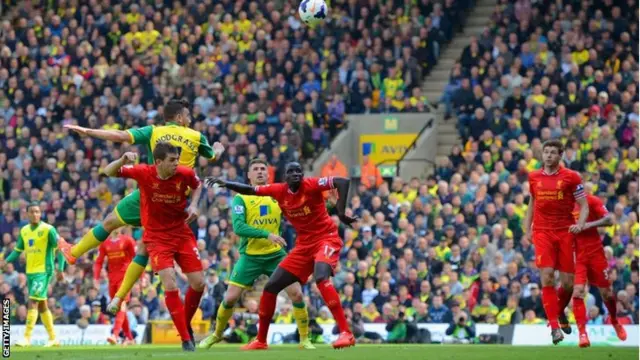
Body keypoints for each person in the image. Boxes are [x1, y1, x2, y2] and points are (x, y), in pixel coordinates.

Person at [59, 99, 224, 313]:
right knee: (145, 248)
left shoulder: (153, 131)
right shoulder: (196, 136)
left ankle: (75, 253)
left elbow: (120, 136)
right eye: (189, 117)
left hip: (149, 193)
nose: (190, 120)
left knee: (110, 222)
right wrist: (218, 149)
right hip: (174, 203)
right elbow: (211, 158)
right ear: (180, 118)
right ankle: (118, 299)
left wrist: (88, 131)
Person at [206, 163, 358, 350]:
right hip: (302, 246)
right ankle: (261, 340)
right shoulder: (277, 191)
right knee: (270, 288)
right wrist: (226, 183)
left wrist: (341, 212)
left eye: (298, 171)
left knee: (320, 278)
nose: (295, 174)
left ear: (303, 174)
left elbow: (342, 181)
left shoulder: (311, 184)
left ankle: (345, 333)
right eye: (291, 171)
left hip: (326, 239)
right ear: (284, 177)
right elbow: (249, 190)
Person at [199, 159, 314, 350]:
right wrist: (266, 234)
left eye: (263, 169)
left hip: (276, 256)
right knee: (229, 298)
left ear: (268, 174)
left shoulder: (278, 195)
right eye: (256, 169)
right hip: (250, 256)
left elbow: (300, 210)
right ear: (249, 176)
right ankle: (216, 335)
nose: (260, 172)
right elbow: (238, 227)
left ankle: (305, 339)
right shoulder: (241, 198)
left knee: (297, 295)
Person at [103, 142, 204, 352]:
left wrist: (194, 204)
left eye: (177, 159)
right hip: (156, 237)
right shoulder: (143, 172)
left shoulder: (184, 173)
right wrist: (122, 160)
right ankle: (186, 340)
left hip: (181, 232)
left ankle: (184, 325)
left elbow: (198, 184)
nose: (176, 163)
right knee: (170, 284)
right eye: (172, 160)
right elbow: (108, 171)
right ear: (158, 162)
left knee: (199, 284)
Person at [523, 139, 589, 344]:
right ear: (542, 154)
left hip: (565, 232)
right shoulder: (533, 177)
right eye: (546, 152)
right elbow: (532, 203)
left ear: (560, 155)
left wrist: (580, 223)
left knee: (568, 284)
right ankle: (554, 328)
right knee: (547, 276)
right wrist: (527, 229)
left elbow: (584, 205)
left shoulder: (571, 177)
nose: (549, 155)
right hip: (542, 232)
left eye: (553, 152)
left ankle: (559, 312)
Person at [569, 192, 627, 347]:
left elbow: (609, 219)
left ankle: (615, 322)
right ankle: (582, 334)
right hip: (578, 256)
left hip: (596, 254)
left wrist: (587, 225)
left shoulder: (590, 200)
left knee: (606, 293)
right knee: (578, 291)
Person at [3, 202, 65, 347]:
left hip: (44, 271)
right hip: (30, 271)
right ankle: (53, 338)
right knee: (42, 305)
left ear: (41, 213)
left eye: (38, 212)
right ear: (27, 214)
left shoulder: (48, 229)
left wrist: (60, 269)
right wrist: (5, 262)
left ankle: (27, 338)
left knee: (33, 301)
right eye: (32, 212)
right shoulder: (24, 230)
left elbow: (61, 247)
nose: (36, 214)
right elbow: (18, 250)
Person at [93, 228, 136, 345]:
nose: (116, 227)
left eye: (119, 225)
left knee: (120, 304)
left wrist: (140, 278)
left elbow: (136, 259)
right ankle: (130, 338)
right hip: (112, 279)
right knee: (118, 309)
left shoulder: (128, 241)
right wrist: (96, 278)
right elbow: (99, 262)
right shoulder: (104, 244)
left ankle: (115, 335)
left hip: (126, 278)